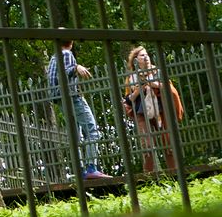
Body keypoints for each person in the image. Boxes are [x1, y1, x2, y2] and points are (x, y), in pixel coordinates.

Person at [46, 39, 110, 181]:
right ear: (71, 42)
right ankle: (91, 168)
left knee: (75, 135)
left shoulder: (53, 57)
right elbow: (64, 73)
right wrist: (76, 68)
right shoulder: (66, 54)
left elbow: (53, 80)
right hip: (72, 97)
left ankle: (80, 171)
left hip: (61, 99)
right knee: (92, 130)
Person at [121, 46, 183, 176]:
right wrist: (139, 89)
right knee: (147, 146)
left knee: (168, 143)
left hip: (161, 111)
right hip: (141, 113)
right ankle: (149, 177)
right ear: (135, 61)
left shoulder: (157, 72)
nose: (146, 57)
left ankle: (175, 174)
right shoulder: (131, 78)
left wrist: (153, 84)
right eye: (142, 56)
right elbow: (128, 100)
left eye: (147, 55)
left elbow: (169, 88)